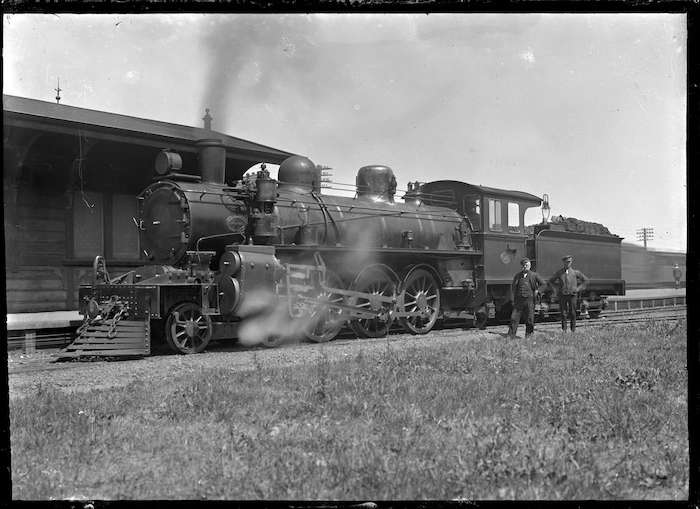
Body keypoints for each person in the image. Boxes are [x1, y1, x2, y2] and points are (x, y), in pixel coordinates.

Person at [548, 255, 590, 332]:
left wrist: (578, 289)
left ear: (571, 262)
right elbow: (550, 281)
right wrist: (555, 290)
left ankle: (573, 329)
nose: (568, 263)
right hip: (562, 295)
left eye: (569, 262)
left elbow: (586, 280)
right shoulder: (559, 272)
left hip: (572, 295)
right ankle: (564, 329)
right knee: (563, 313)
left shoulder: (575, 272)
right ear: (563, 262)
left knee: (573, 313)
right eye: (566, 262)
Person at [508, 258, 547, 338]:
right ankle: (511, 335)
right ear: (522, 266)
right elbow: (514, 287)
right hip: (519, 300)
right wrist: (513, 299)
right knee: (514, 318)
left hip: (529, 300)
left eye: (527, 265)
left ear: (530, 266)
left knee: (529, 319)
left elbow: (543, 284)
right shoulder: (517, 276)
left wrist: (538, 291)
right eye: (524, 265)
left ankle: (529, 335)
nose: (525, 266)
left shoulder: (534, 275)